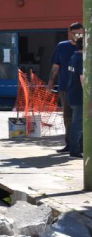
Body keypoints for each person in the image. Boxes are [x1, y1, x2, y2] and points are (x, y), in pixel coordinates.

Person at [48, 23, 84, 152]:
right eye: (76, 33)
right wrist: (51, 82)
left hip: (82, 89)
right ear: (70, 33)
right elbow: (56, 66)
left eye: (80, 33)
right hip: (65, 87)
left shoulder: (86, 48)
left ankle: (81, 145)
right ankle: (70, 144)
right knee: (68, 117)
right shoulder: (62, 46)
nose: (78, 36)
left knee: (81, 118)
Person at [66, 36, 84, 159]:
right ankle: (75, 150)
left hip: (72, 94)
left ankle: (80, 147)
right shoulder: (82, 59)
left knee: (78, 123)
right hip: (79, 96)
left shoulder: (73, 57)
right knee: (78, 124)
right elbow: (83, 79)